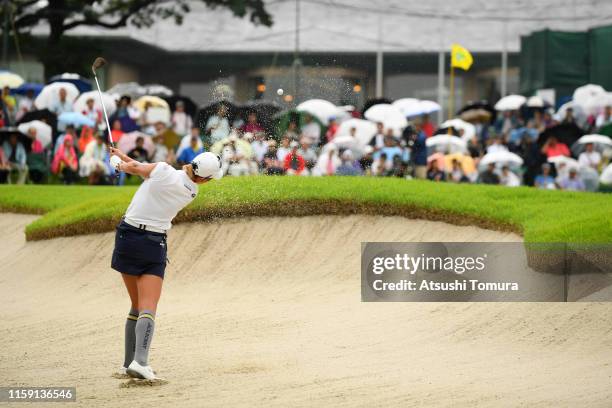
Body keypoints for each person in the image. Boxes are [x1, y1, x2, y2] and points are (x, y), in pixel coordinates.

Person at [108, 147, 223, 380]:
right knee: (147, 306)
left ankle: (128, 363)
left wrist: (116, 164)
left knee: (136, 306)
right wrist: (123, 158)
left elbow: (142, 170)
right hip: (152, 244)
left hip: (126, 236)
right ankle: (140, 363)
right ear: (202, 178)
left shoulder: (162, 170)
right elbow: (143, 170)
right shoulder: (191, 191)